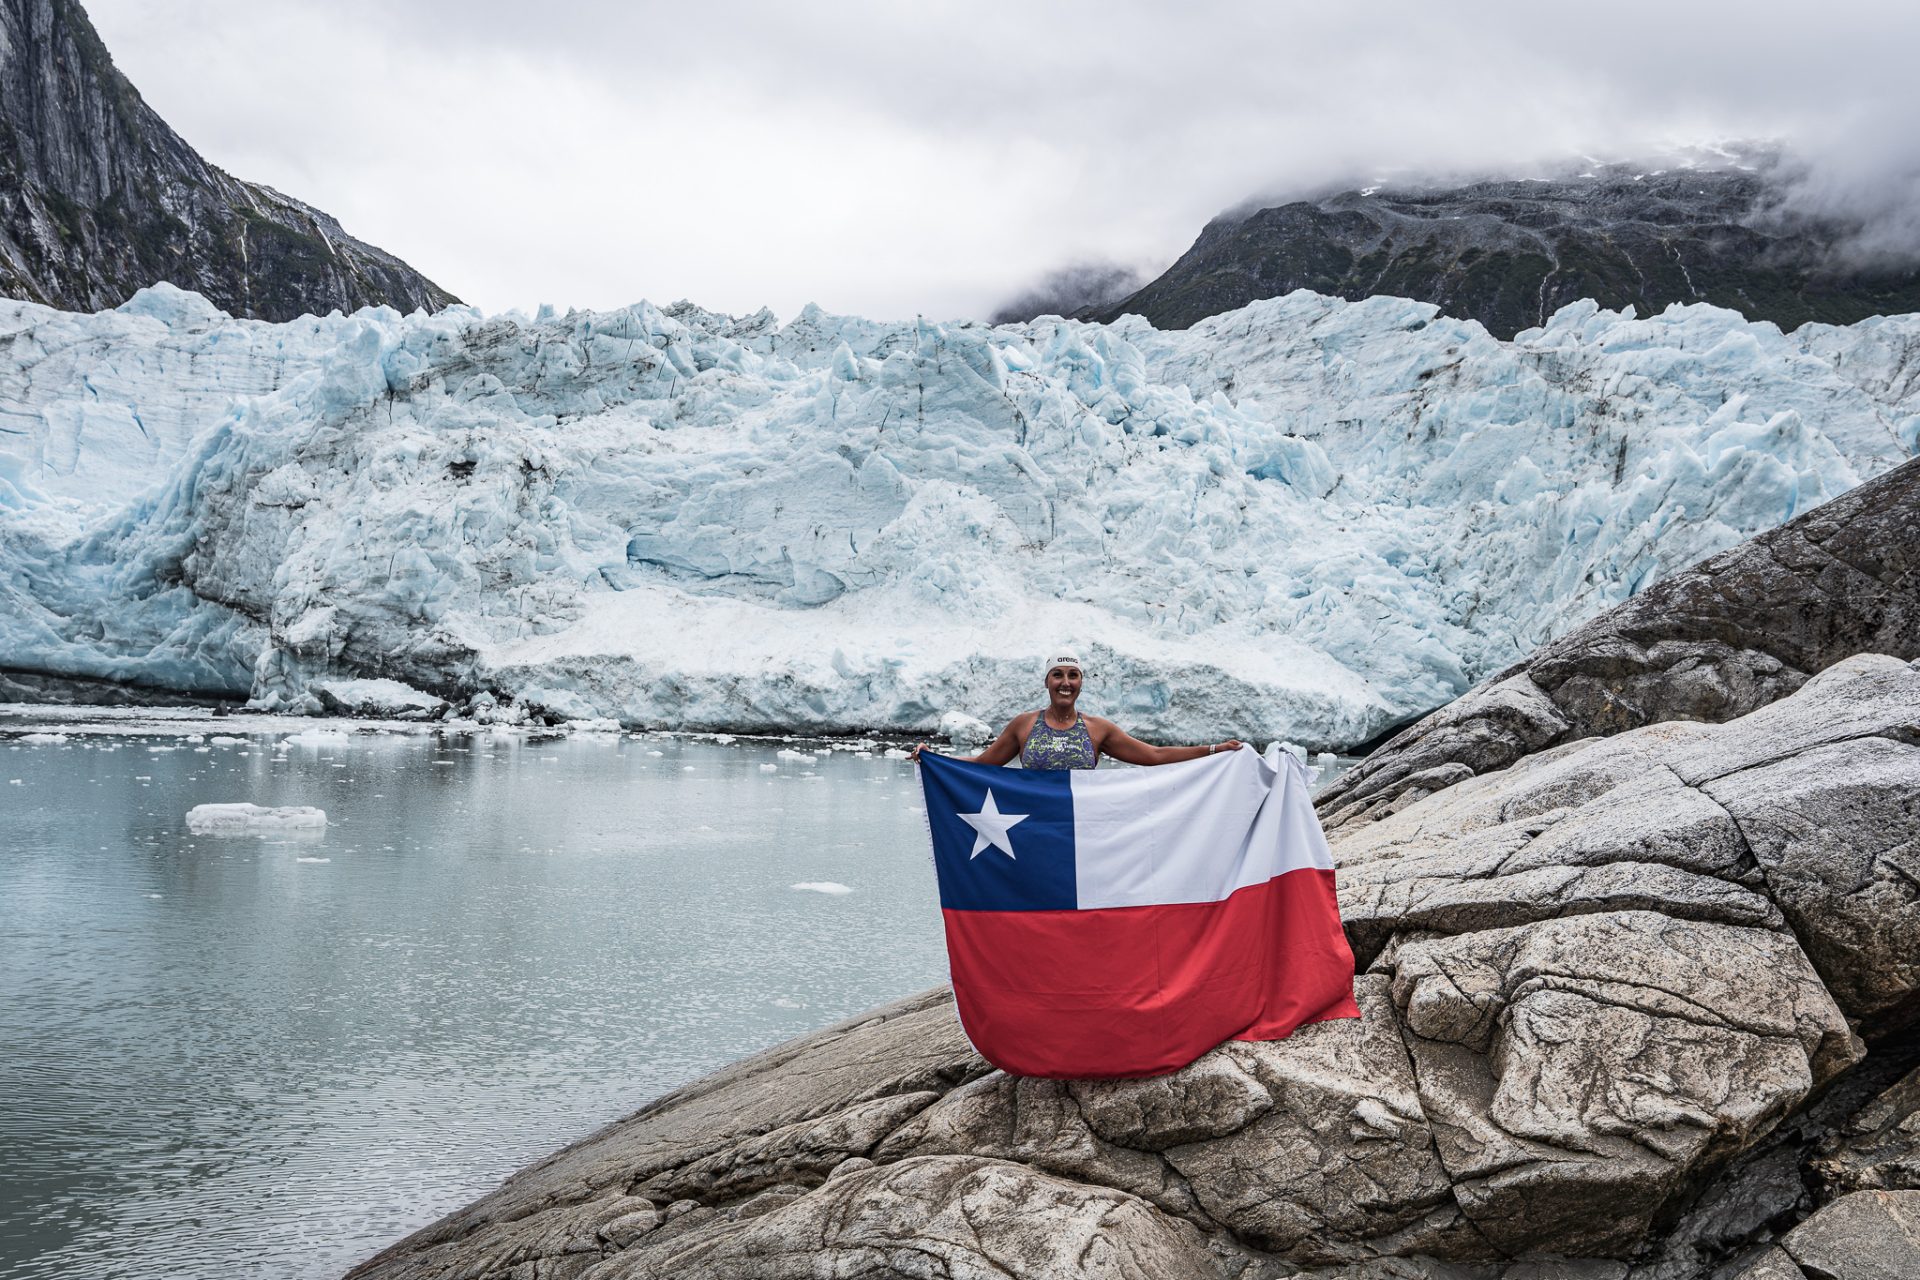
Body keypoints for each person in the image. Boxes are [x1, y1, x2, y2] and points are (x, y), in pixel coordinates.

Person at [910, 653, 1242, 769]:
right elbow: (983, 764)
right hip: (1029, 828)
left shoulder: (1098, 729)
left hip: (1081, 831)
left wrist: (1214, 750)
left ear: (1081, 682)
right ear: (1047, 681)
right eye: (1058, 675)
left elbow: (1154, 755)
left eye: (1073, 675)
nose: (1065, 682)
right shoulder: (1024, 726)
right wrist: (935, 759)